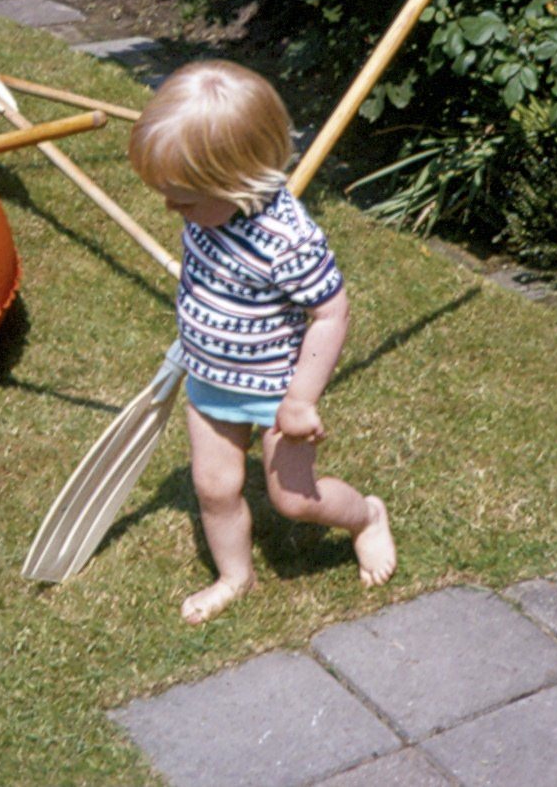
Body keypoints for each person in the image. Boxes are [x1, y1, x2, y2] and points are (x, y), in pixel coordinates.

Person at [129, 59, 397, 625]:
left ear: (238, 182)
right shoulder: (207, 212)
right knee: (214, 487)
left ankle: (366, 517)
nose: (170, 210)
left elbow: (331, 311)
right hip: (210, 378)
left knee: (295, 500)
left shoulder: (287, 241)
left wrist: (300, 398)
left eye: (182, 199)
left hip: (275, 391)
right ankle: (235, 576)